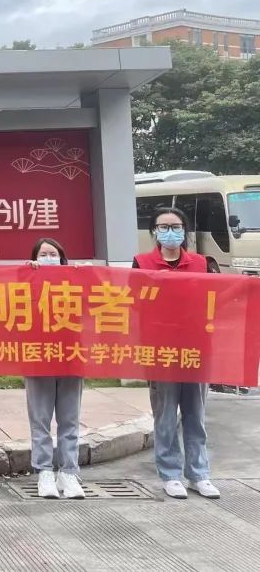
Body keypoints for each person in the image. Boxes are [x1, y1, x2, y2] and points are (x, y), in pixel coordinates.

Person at [133, 207, 220, 500]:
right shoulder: (142, 263)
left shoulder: (201, 263)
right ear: (154, 232)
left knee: (196, 415)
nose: (170, 232)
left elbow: (218, 299)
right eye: (164, 226)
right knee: (166, 415)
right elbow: (133, 302)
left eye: (176, 226)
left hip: (196, 350)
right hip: (162, 351)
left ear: (185, 230)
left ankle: (199, 474)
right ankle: (170, 474)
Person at [24, 238, 85, 499]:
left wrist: (85, 277)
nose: (49, 258)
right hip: (38, 357)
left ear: (62, 258)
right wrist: (26, 275)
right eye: (43, 254)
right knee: (40, 420)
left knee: (69, 420)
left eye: (53, 254)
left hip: (71, 356)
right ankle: (44, 472)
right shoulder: (26, 281)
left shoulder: (75, 280)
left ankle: (69, 472)